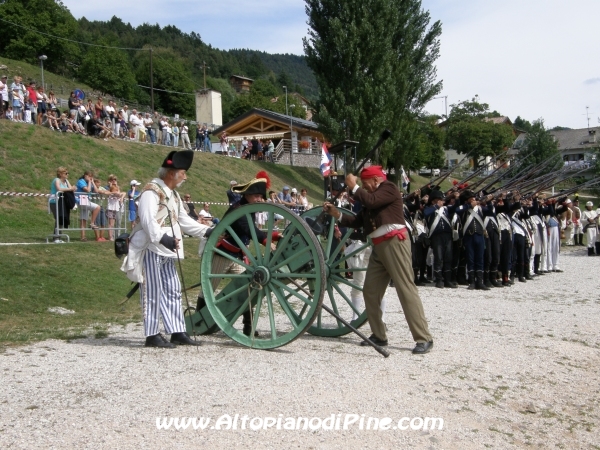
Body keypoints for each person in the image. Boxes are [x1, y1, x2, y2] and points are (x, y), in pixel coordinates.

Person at [323, 166, 434, 354]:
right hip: (378, 246)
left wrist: (354, 187)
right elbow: (358, 221)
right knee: (370, 291)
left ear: (376, 179)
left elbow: (372, 201)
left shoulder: (388, 188)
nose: (365, 188)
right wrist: (336, 213)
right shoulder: (372, 197)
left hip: (394, 242)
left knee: (405, 288)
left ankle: (423, 337)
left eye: (366, 184)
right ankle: (379, 335)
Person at [122, 150, 209, 348]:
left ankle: (177, 331)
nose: (185, 176)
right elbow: (147, 220)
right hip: (151, 248)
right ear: (171, 173)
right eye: (182, 172)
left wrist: (207, 231)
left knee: (173, 290)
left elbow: (184, 221)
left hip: (168, 250)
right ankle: (152, 335)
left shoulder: (173, 195)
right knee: (152, 291)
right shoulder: (151, 192)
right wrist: (163, 237)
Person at [197, 171, 281, 336]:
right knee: (207, 290)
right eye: (256, 196)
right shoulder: (238, 210)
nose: (259, 199)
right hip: (222, 254)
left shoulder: (248, 209)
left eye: (260, 196)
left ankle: (248, 327)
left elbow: (254, 230)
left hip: (237, 257)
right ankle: (198, 322)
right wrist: (266, 240)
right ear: (248, 195)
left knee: (247, 289)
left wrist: (274, 236)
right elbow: (247, 229)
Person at [49, 167, 76, 242]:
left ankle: (58, 237)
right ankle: (56, 237)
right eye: (65, 173)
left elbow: (71, 188)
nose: (67, 175)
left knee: (61, 219)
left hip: (62, 202)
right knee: (58, 218)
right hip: (54, 202)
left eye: (67, 173)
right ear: (60, 174)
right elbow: (59, 189)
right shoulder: (56, 180)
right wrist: (70, 189)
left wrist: (73, 188)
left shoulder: (66, 181)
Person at [76, 171, 104, 241]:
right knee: (97, 207)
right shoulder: (81, 181)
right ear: (85, 175)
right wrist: (89, 182)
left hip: (86, 201)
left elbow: (96, 191)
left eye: (91, 176)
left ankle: (83, 237)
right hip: (81, 200)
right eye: (88, 176)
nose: (90, 178)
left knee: (83, 219)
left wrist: (93, 182)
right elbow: (87, 190)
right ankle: (92, 223)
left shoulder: (90, 182)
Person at [106, 175, 126, 241]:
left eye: (115, 179)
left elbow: (122, 193)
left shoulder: (116, 188)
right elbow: (116, 193)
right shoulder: (109, 189)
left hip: (115, 208)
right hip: (111, 208)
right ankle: (110, 237)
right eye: (112, 180)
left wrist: (121, 197)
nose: (114, 181)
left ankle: (111, 236)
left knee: (113, 224)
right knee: (110, 224)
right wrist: (112, 186)